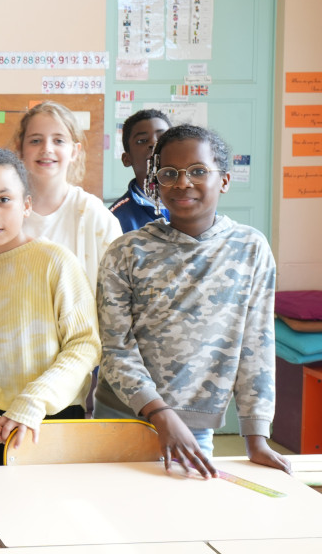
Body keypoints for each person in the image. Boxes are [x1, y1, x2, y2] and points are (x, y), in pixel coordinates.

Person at [96, 125, 291, 477]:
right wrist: (159, 412)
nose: (182, 183)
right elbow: (115, 348)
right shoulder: (126, 251)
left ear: (225, 180)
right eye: (169, 173)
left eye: (198, 171)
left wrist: (256, 437)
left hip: (194, 426)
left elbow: (256, 346)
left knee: (183, 523)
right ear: (155, 181)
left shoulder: (250, 249)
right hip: (122, 419)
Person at [0, 148, 100, 546]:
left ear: (27, 204)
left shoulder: (55, 262)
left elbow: (84, 345)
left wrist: (33, 401)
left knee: (51, 534)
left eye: (4, 200)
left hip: (49, 423)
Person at [14, 101, 121, 292]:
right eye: (35, 140)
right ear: (20, 149)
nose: (47, 148)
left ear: (74, 151)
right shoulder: (7, 211)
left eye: (58, 140)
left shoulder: (94, 215)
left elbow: (117, 291)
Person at [108, 109, 171, 232]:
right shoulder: (114, 218)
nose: (154, 143)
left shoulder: (195, 203)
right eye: (142, 141)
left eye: (162, 138)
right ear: (127, 159)